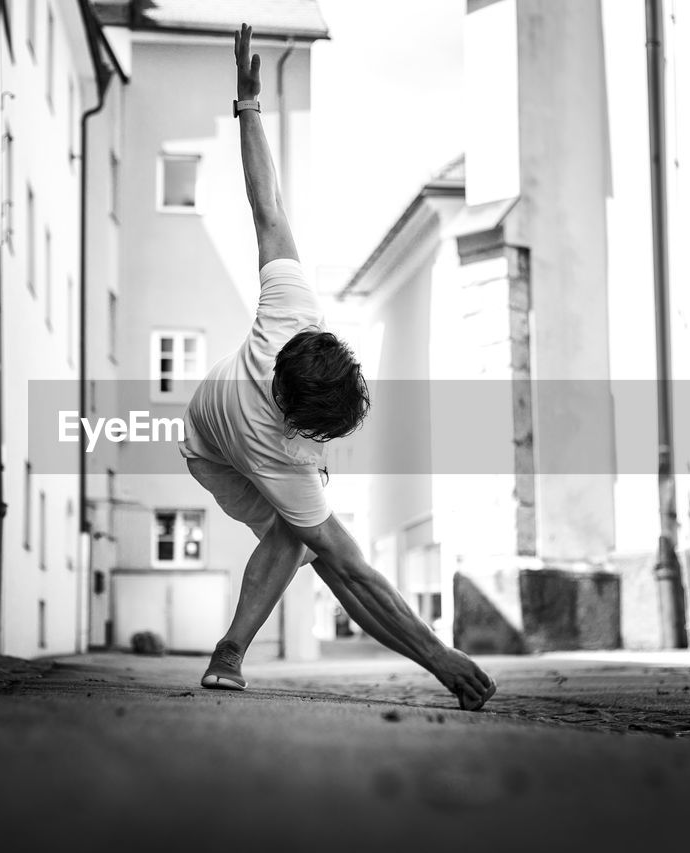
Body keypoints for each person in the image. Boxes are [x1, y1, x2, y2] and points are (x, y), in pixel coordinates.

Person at [178, 24, 497, 712]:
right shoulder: (278, 449)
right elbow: (352, 573)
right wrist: (438, 657)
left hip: (229, 407)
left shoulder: (291, 308)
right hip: (212, 447)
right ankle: (229, 649)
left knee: (302, 527)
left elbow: (266, 203)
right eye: (320, 440)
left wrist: (249, 105)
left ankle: (228, 652)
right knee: (301, 538)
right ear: (298, 425)